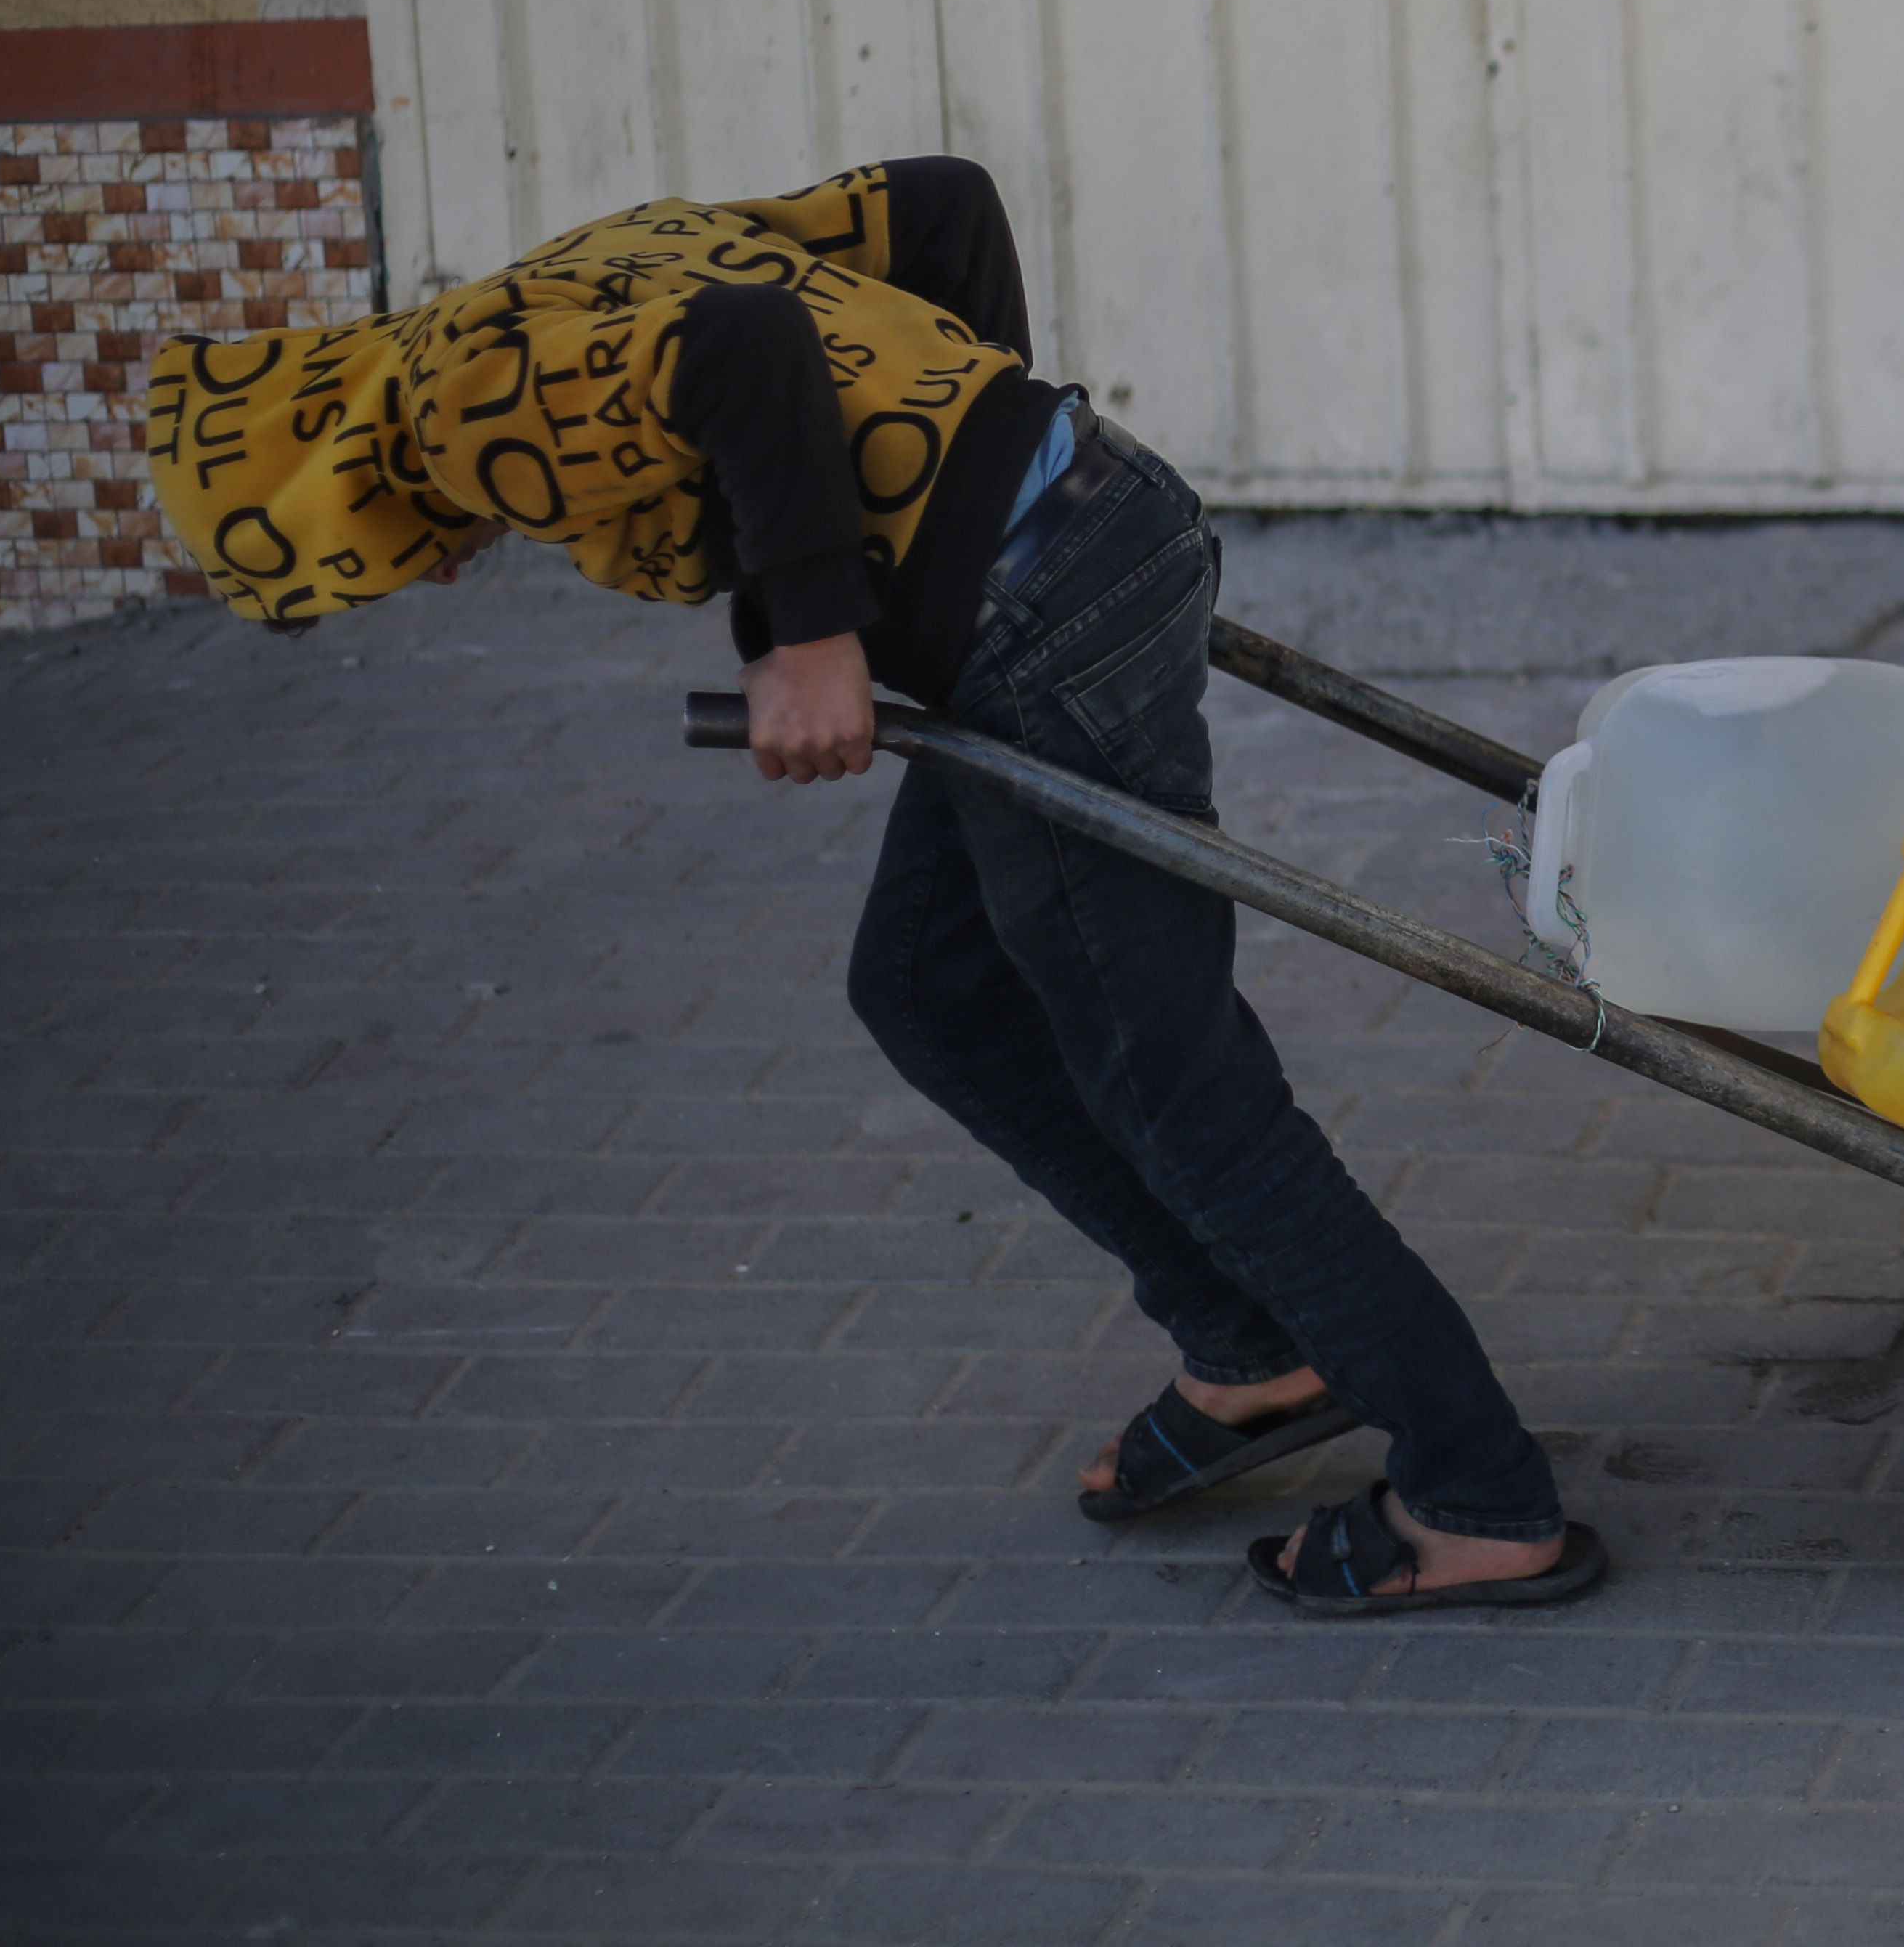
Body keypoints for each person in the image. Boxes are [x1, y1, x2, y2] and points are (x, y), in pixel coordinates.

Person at [144, 156, 1602, 1608]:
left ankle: (1476, 1493)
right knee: (929, 988)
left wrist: (815, 638)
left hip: (1034, 617)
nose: (427, 575)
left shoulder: (449, 412)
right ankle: (1255, 1352)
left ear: (327, 492)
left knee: (1174, 1085)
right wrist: (971, 473)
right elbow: (943, 207)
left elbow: (743, 351)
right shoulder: (573, 276)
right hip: (1098, 518)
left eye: (357, 569)